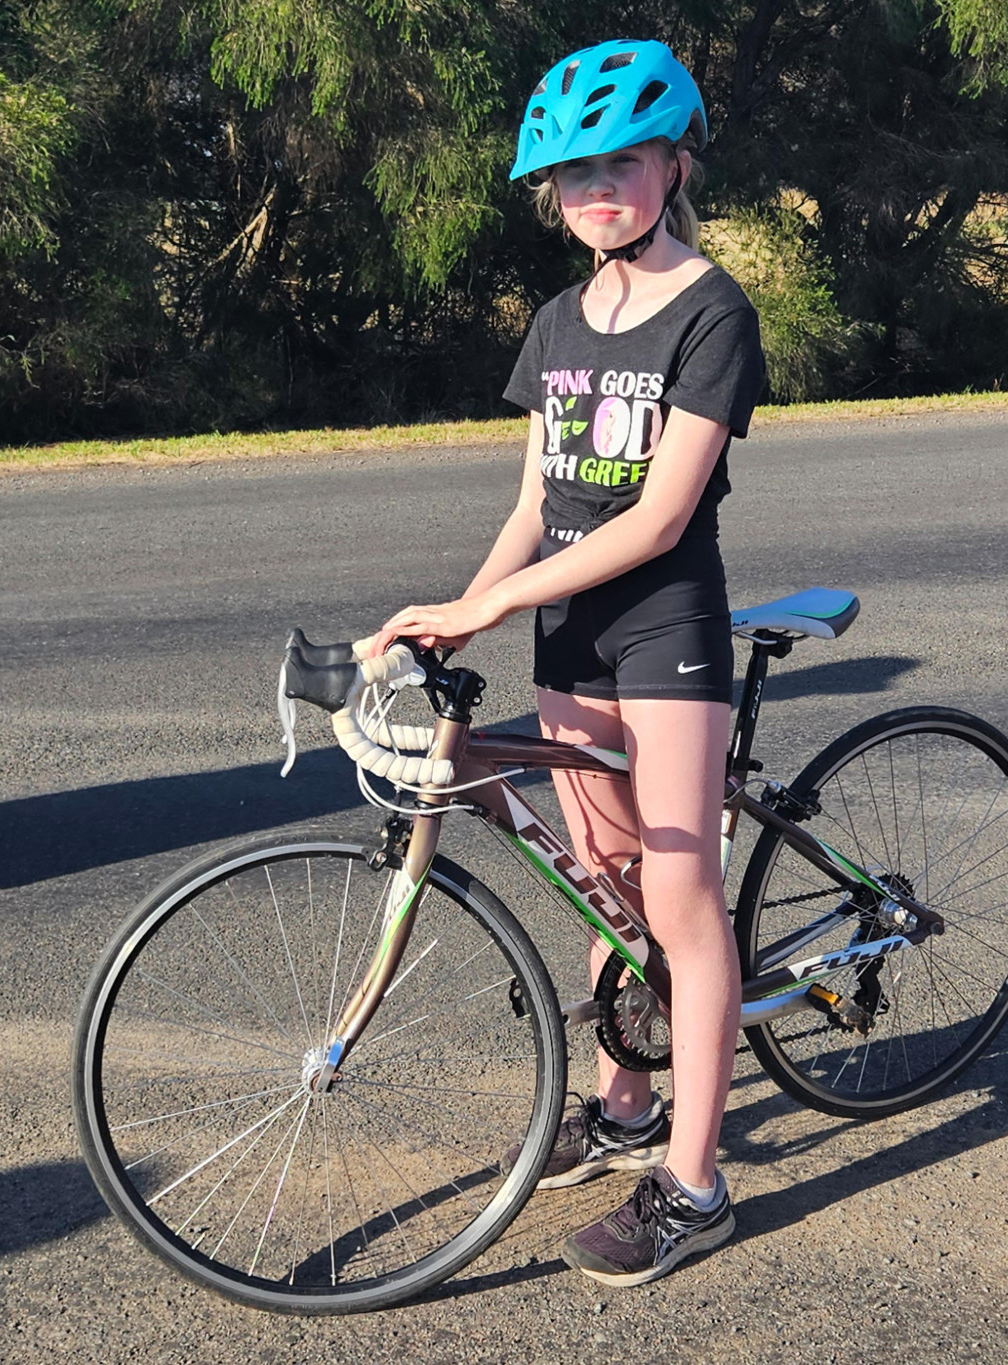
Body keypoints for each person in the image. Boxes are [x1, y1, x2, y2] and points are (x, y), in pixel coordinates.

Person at [368, 37, 766, 1288]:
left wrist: (487, 604)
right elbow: (536, 503)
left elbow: (652, 521)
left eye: (624, 163)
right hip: (567, 634)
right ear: (550, 191)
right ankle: (625, 1107)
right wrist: (469, 607)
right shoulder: (556, 321)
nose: (598, 189)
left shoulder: (711, 311)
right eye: (573, 172)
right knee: (602, 879)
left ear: (673, 163)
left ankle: (693, 1186)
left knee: (682, 903)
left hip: (664, 632)